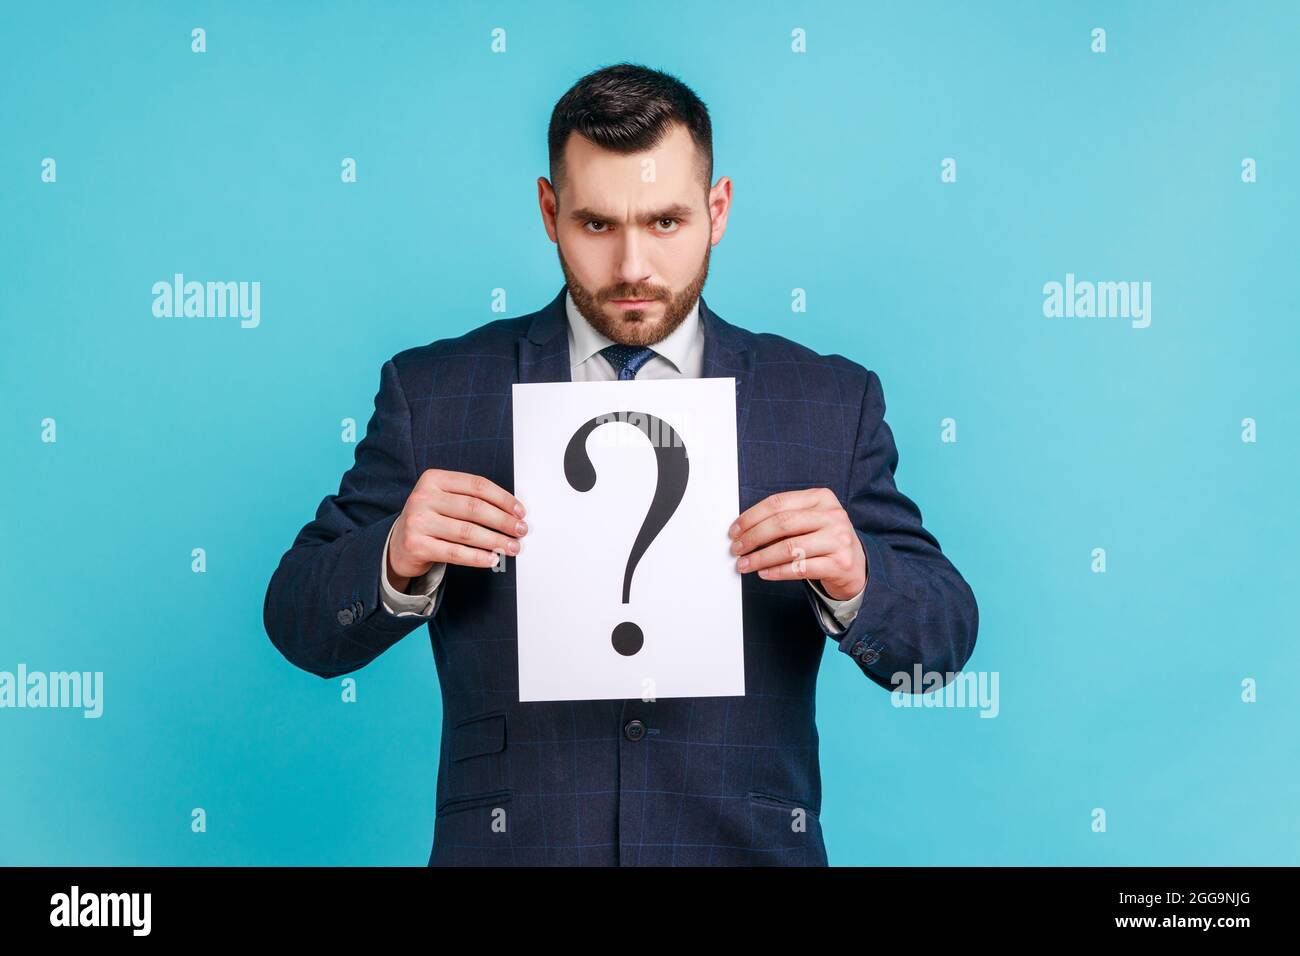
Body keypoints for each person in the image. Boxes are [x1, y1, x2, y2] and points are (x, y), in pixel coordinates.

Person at [263, 62, 978, 866]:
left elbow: (939, 647)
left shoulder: (826, 400)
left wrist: (861, 575)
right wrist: (392, 557)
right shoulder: (435, 394)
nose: (633, 266)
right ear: (549, 211)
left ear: (718, 210)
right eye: (598, 225)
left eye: (666, 223)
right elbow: (299, 624)